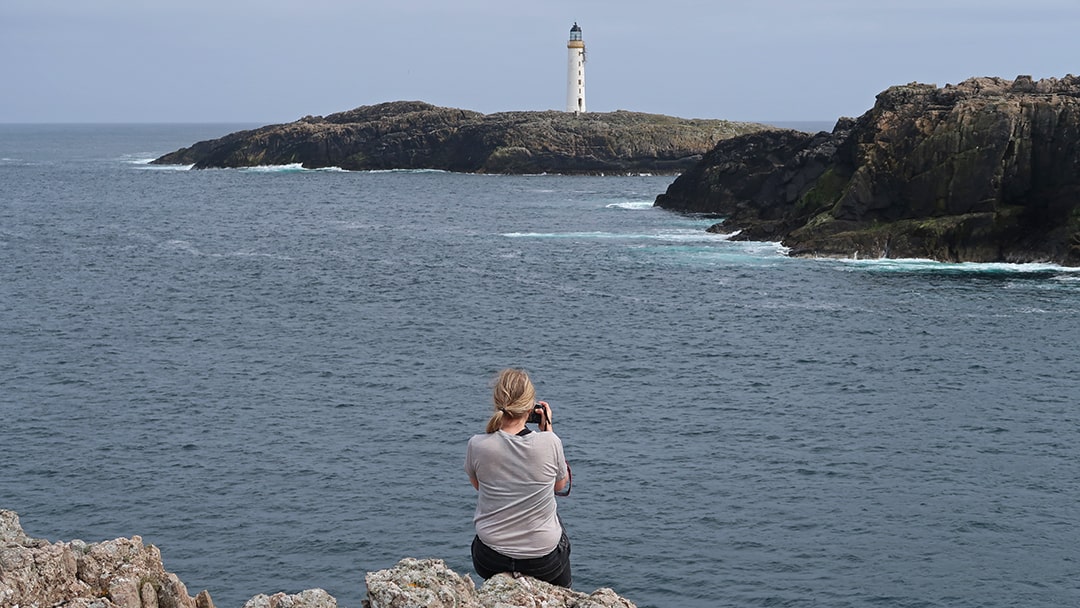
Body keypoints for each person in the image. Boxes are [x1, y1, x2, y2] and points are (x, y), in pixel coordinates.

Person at [465, 368, 572, 587]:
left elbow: (479, 486)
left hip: (489, 558)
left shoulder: (477, 444)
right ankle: (565, 596)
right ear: (531, 407)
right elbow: (560, 485)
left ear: (498, 403)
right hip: (543, 562)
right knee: (557, 525)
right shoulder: (550, 442)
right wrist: (548, 429)